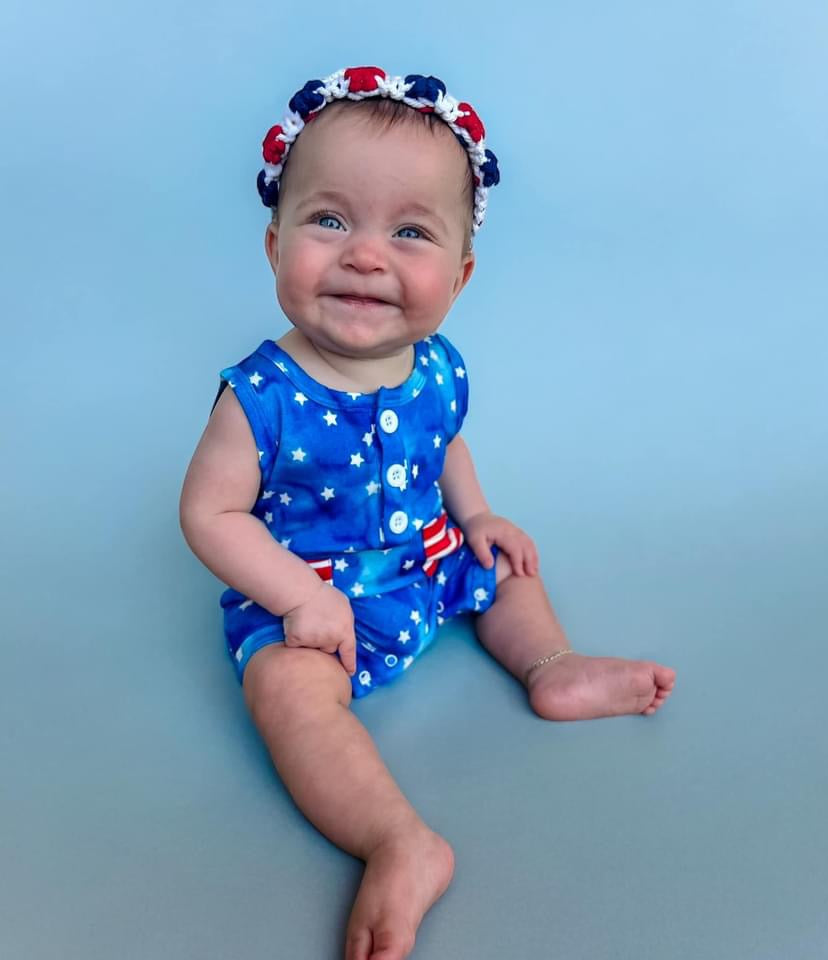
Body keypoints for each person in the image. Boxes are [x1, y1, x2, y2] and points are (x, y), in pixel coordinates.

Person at [179, 66, 676, 960]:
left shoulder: (438, 365)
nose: (365, 255)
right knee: (288, 693)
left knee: (508, 567)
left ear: (462, 271)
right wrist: (296, 596)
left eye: (410, 232)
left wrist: (477, 515)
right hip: (315, 594)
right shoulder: (260, 395)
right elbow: (211, 514)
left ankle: (553, 666)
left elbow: (443, 443)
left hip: (428, 555)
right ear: (272, 242)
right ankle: (398, 841)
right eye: (329, 220)